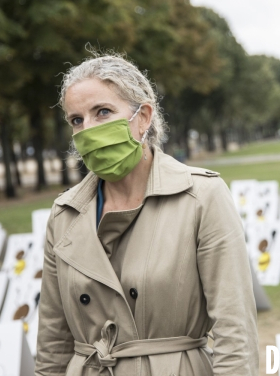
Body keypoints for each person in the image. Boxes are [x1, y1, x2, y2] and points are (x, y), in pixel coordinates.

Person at [35, 53, 259, 376]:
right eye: (77, 120)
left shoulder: (202, 197)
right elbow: (52, 345)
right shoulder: (64, 214)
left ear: (144, 117)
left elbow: (235, 331)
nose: (88, 130)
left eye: (103, 112)